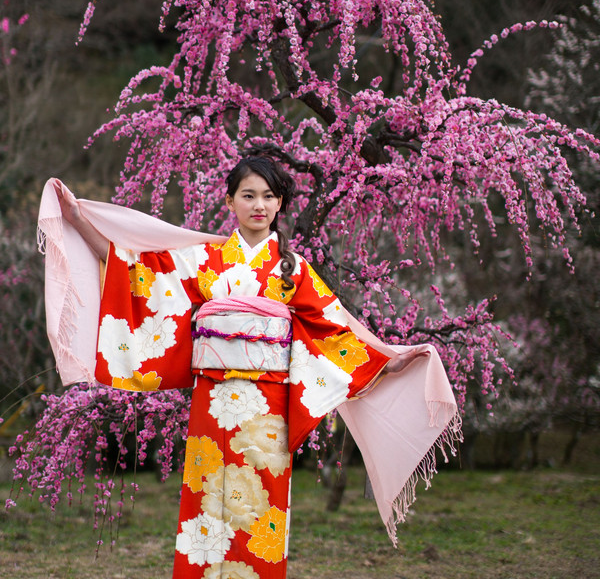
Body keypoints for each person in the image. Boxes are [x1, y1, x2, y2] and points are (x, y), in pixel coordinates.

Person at [41, 156, 460, 579]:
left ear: (280, 204)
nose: (258, 205)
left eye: (268, 196)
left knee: (261, 507)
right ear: (230, 201)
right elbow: (133, 274)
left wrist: (388, 361)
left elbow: (336, 331)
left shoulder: (293, 272)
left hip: (268, 407)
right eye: (248, 195)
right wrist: (77, 219)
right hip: (212, 401)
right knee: (206, 506)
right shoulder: (204, 259)